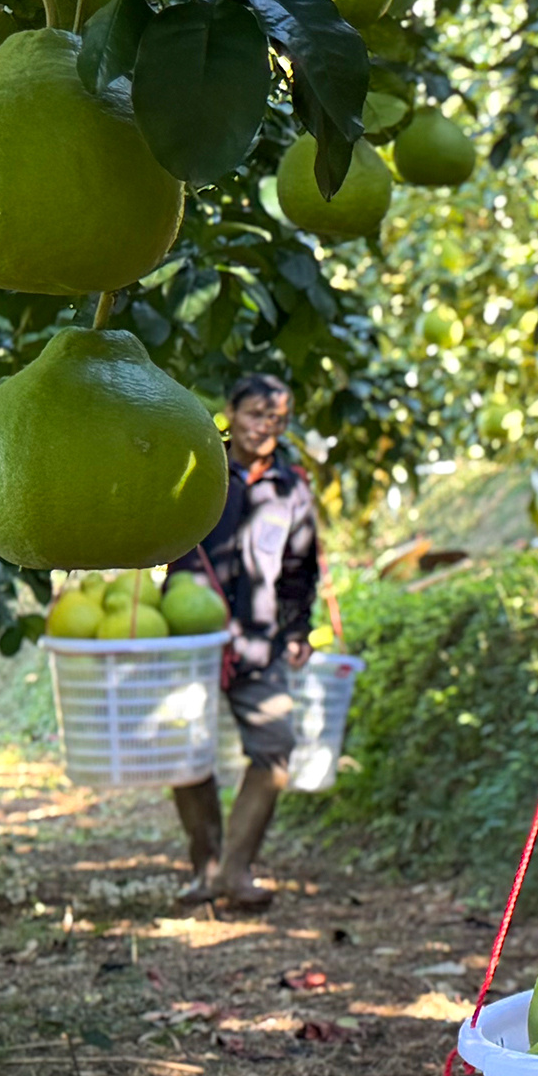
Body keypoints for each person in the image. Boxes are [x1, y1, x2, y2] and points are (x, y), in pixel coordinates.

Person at [168, 373, 320, 911]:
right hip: (192, 637)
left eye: (277, 419)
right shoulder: (200, 471)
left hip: (259, 642)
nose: (265, 426)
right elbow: (165, 535)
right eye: (256, 413)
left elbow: (300, 567)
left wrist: (298, 630)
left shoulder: (291, 487)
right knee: (186, 752)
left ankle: (235, 870)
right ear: (230, 412)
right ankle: (205, 869)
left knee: (274, 748)